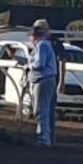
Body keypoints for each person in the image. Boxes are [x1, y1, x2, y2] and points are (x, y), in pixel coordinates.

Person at [27, 19, 59, 147]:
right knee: (43, 109)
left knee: (41, 110)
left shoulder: (42, 45)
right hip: (45, 79)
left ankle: (44, 138)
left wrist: (29, 66)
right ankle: (45, 136)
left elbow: (40, 64)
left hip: (43, 79)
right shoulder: (44, 45)